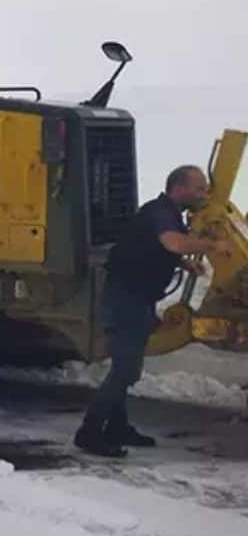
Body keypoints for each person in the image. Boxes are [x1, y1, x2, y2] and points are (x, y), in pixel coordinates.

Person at [74, 165, 232, 457]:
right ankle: (90, 432)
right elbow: (172, 242)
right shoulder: (160, 212)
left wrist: (185, 264)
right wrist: (212, 244)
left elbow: (156, 249)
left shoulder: (168, 214)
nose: (204, 194)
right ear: (179, 188)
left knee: (125, 368)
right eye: (199, 188)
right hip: (126, 301)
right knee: (125, 370)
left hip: (136, 299)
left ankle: (117, 427)